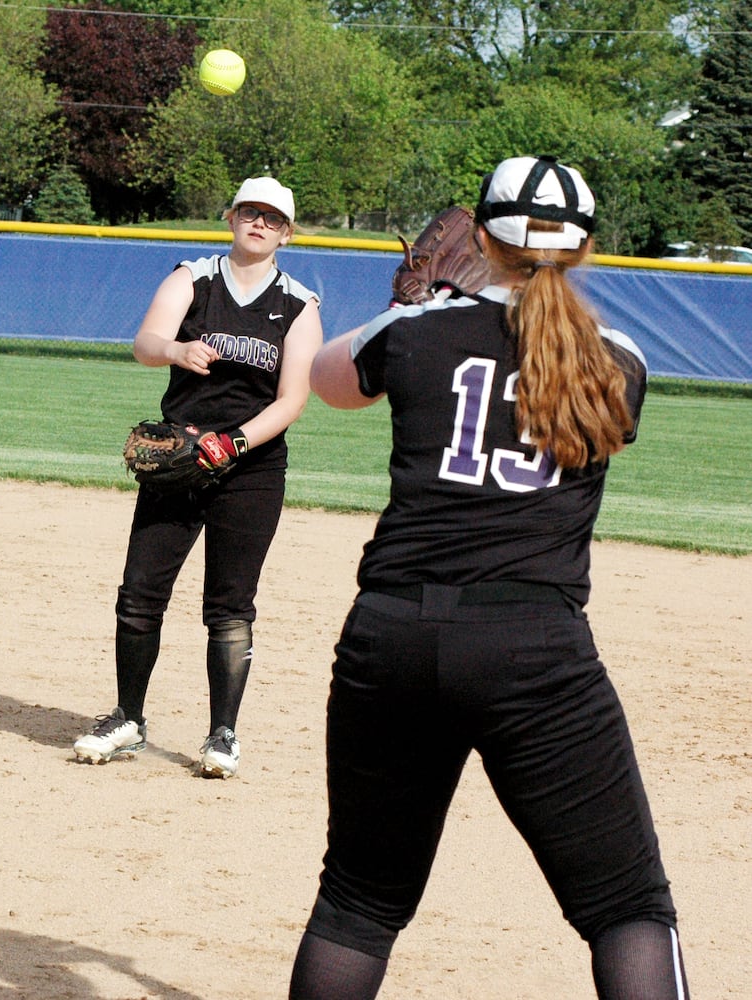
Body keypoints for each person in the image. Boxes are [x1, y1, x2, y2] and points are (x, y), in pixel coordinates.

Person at [290, 156, 689, 998]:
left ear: (477, 236)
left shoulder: (408, 331)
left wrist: (411, 307)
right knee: (625, 908)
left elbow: (327, 384)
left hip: (390, 635)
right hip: (531, 649)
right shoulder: (618, 358)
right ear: (584, 249)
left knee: (359, 902)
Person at [73, 176, 323, 778]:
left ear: (286, 234)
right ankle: (128, 717)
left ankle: (222, 734)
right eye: (249, 212)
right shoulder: (193, 278)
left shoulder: (299, 305)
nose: (258, 223)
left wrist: (233, 443)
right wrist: (175, 352)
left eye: (272, 218)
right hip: (178, 455)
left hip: (252, 468)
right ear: (231, 216)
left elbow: (292, 400)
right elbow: (145, 341)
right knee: (139, 593)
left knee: (230, 605)